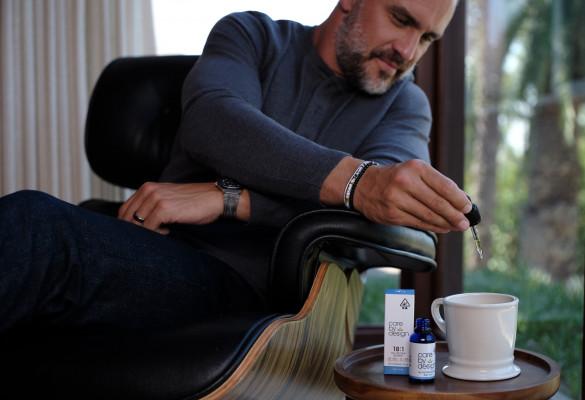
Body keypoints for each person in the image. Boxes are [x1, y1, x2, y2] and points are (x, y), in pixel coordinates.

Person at [0, 0, 467, 339]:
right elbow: (213, 122)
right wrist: (355, 181)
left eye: (427, 38)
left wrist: (232, 199)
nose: (407, 51)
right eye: (401, 19)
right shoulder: (250, 34)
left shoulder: (405, 106)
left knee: (36, 228)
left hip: (256, 294)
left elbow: (377, 212)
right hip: (147, 245)